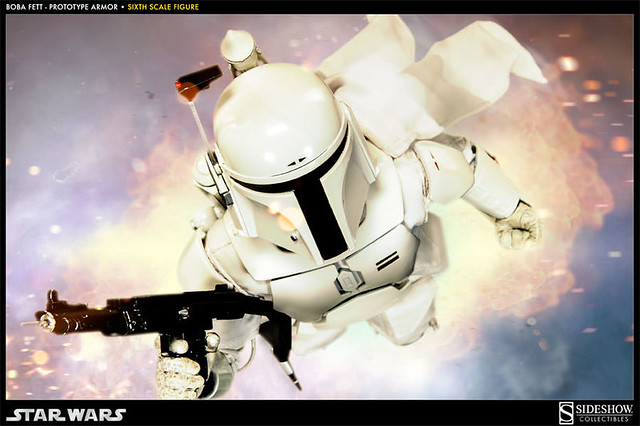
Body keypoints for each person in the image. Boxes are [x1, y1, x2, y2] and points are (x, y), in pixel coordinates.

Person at [156, 15, 544, 399]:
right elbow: (222, 346)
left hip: (398, 290)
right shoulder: (231, 251)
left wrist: (512, 210)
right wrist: (194, 371)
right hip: (321, 321)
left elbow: (463, 162)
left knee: (408, 325)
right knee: (325, 336)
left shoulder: (402, 171)